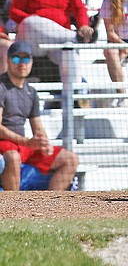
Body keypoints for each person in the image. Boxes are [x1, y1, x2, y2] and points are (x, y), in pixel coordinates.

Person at [0, 41, 79, 190]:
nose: (21, 63)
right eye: (16, 58)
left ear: (31, 61)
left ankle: (50, 207)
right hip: (5, 143)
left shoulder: (31, 92)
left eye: (26, 59)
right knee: (13, 157)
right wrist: (26, 141)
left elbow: (38, 128)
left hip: (23, 146)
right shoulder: (1, 87)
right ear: (8, 60)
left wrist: (45, 144)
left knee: (70, 159)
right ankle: (13, 207)